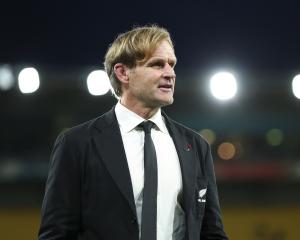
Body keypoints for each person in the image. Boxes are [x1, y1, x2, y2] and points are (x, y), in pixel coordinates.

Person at [38, 25, 228, 240]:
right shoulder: (77, 143)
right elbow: (56, 233)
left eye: (172, 64)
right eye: (157, 64)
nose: (170, 73)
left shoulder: (195, 145)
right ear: (123, 72)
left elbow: (211, 232)